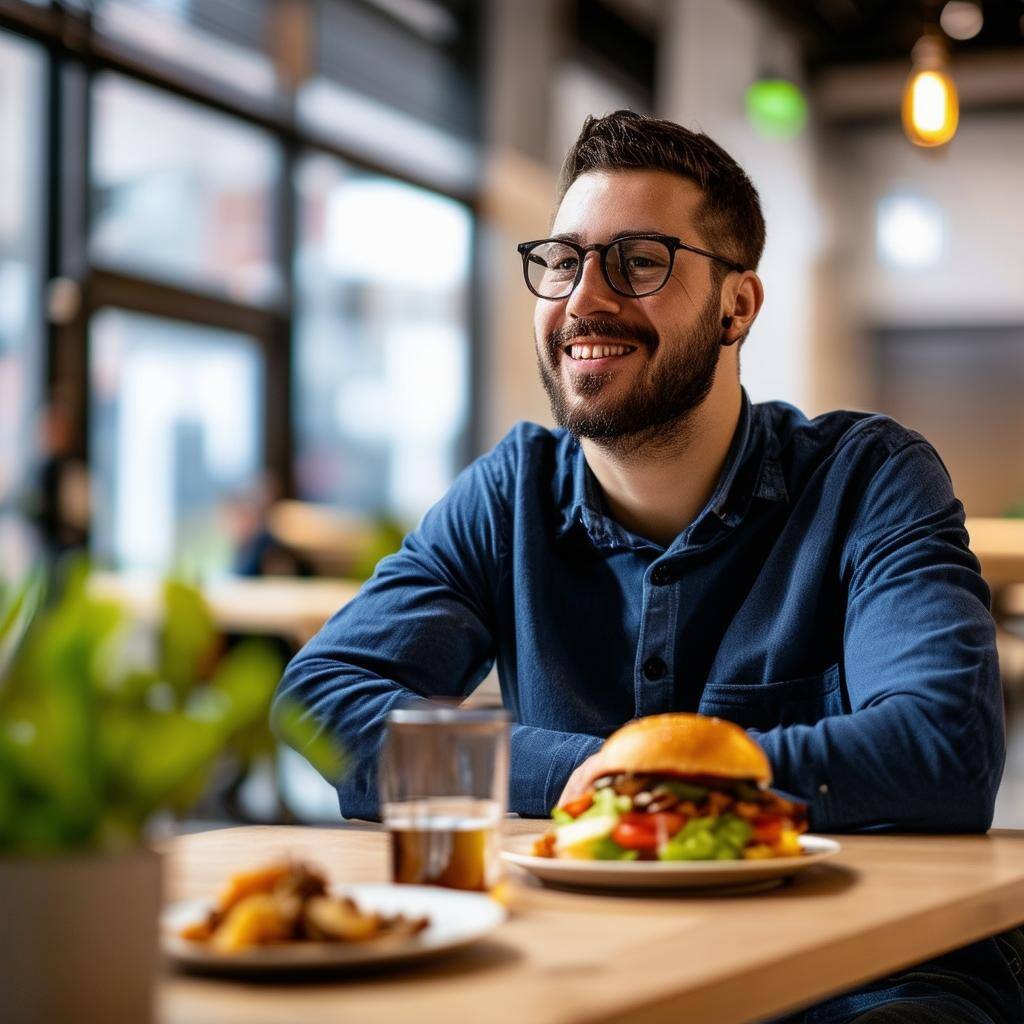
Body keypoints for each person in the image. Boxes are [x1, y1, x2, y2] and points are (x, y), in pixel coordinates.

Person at [274, 110, 1022, 1022]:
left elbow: (944, 747)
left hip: (857, 978)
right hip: (587, 969)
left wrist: (638, 787)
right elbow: (323, 697)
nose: (585, 298)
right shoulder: (510, 494)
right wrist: (574, 774)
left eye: (639, 260)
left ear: (737, 306)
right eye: (562, 259)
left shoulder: (868, 479)